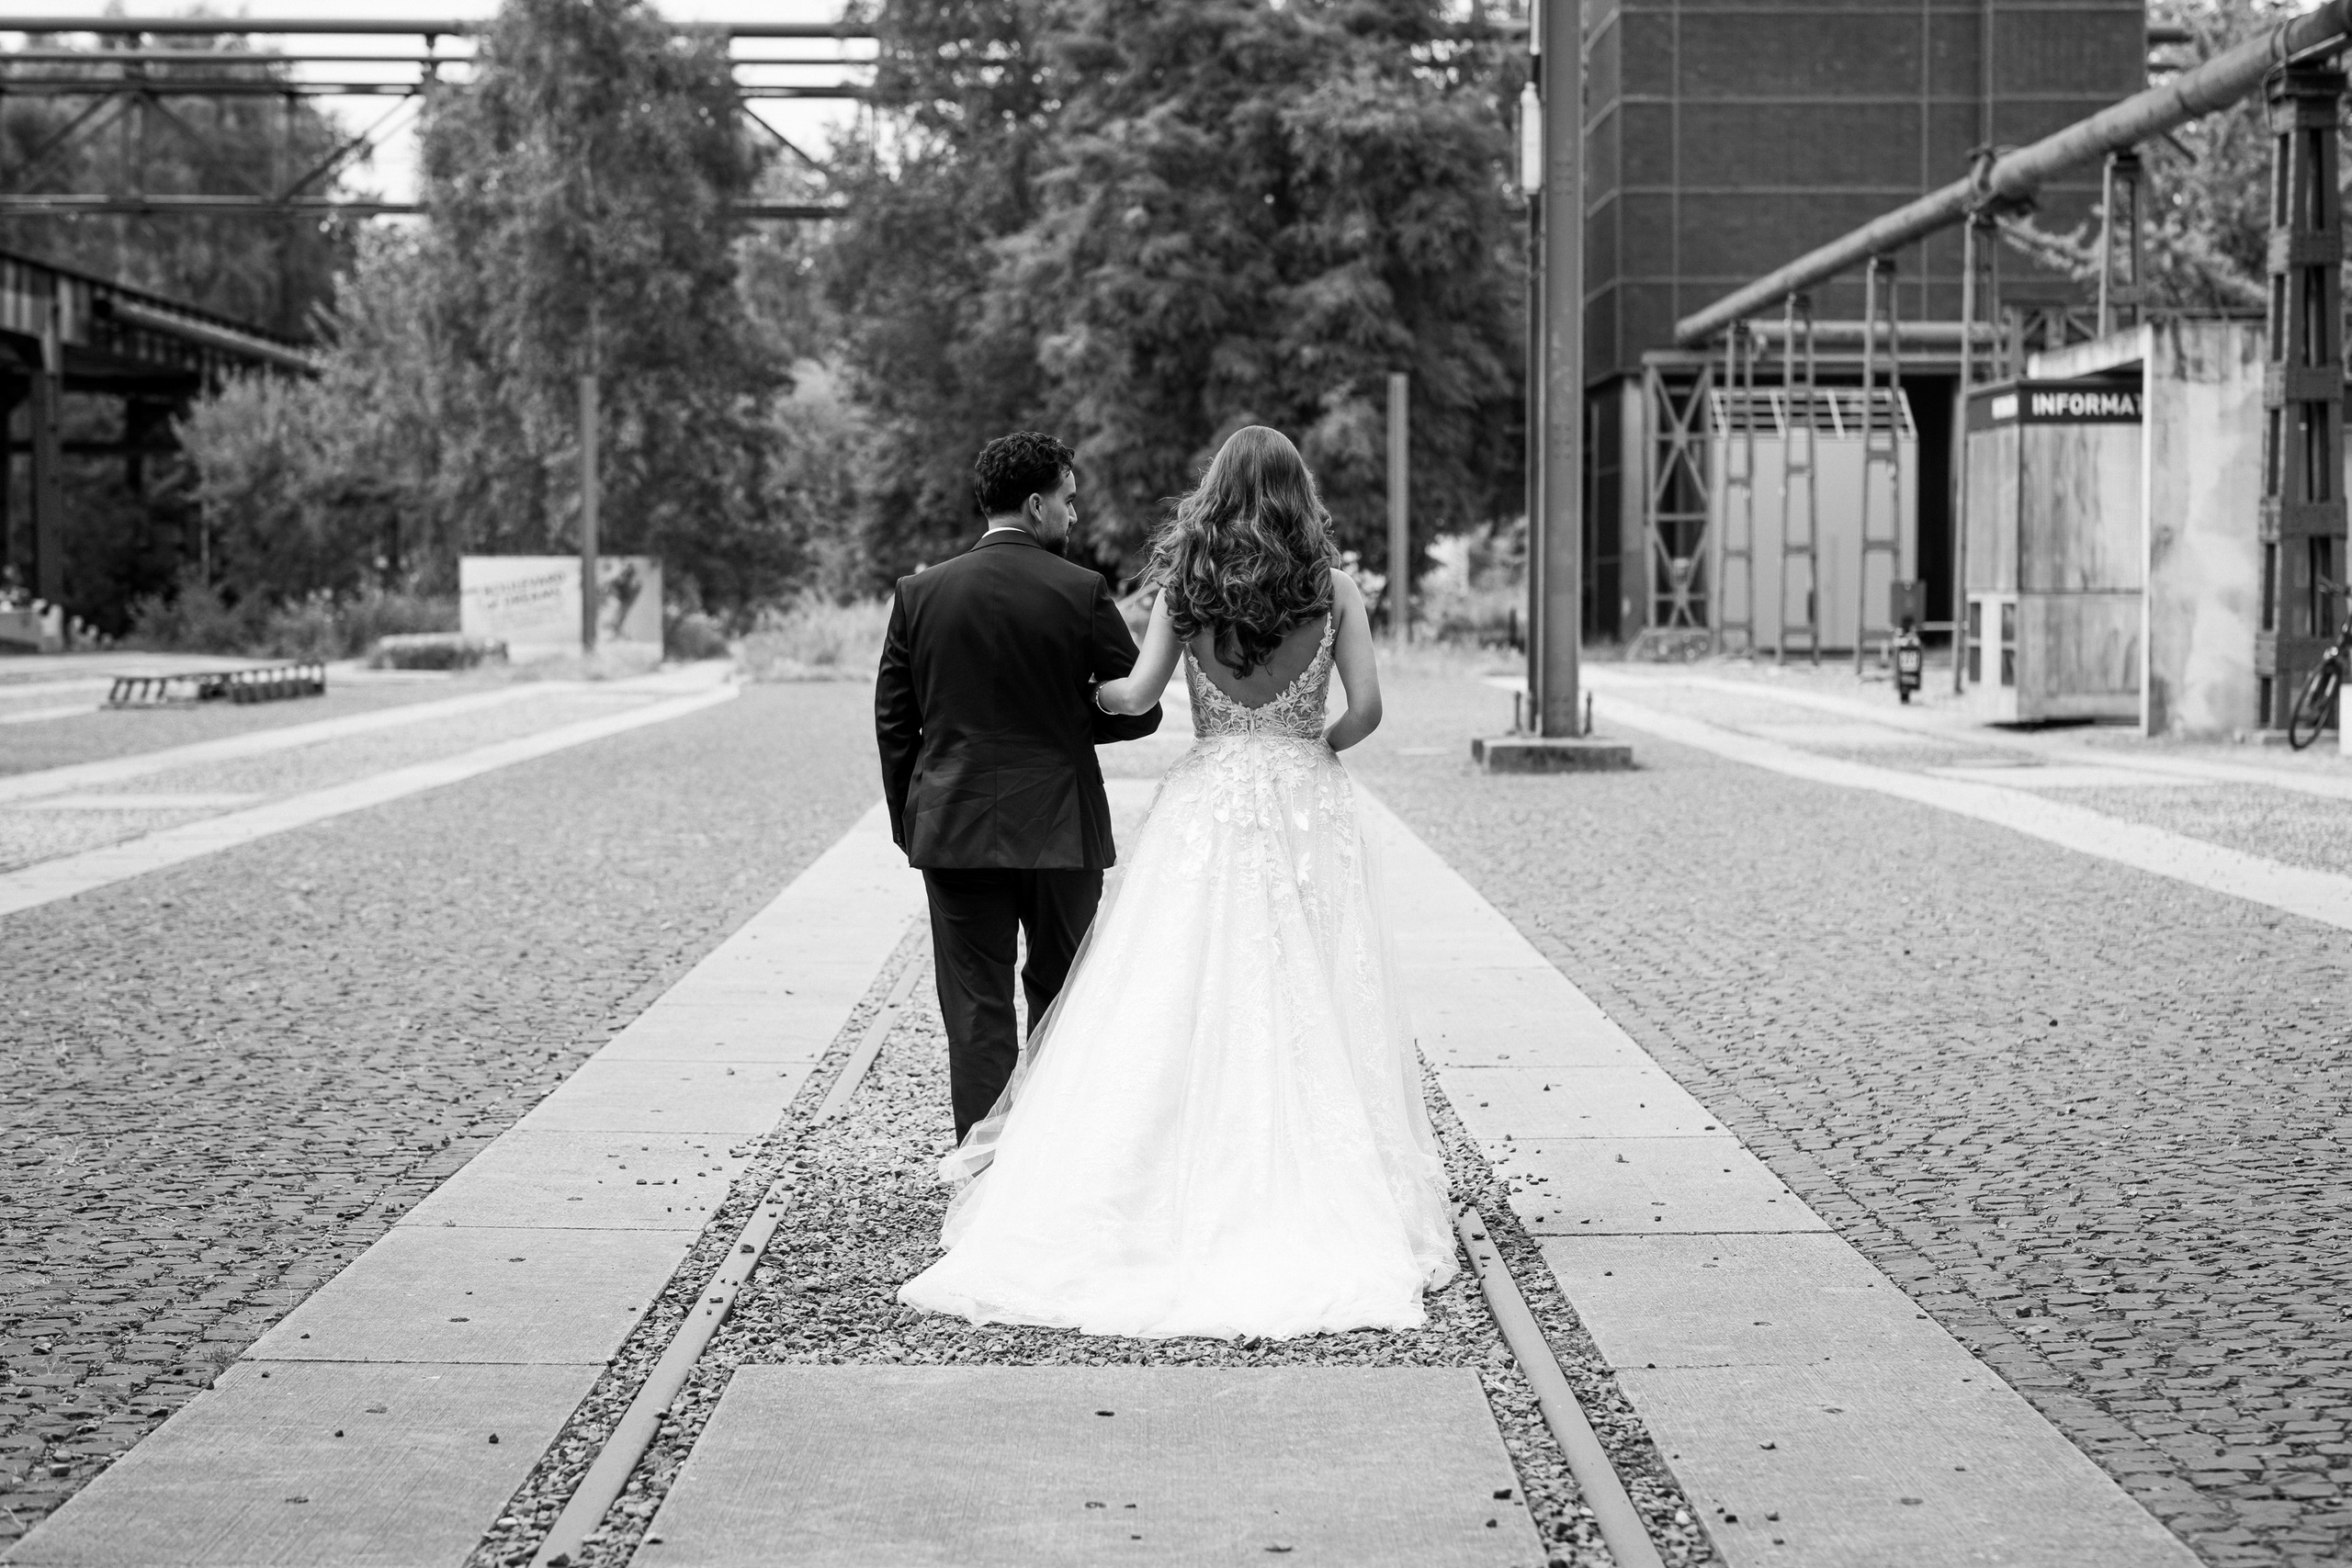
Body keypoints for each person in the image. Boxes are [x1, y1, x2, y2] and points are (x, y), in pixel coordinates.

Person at [899, 424, 1454, 1341]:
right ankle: (1318, 1174)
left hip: (1211, 799)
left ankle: (1162, 1174)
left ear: (1214, 496)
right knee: (1310, 983)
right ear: (1296, 495)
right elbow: (1370, 710)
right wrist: (1314, 749)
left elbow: (1135, 696)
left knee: (1183, 985)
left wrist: (1064, 695)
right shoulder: (1337, 590)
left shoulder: (1187, 593)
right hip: (1305, 800)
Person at [874, 432, 1163, 1145]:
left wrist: (911, 819)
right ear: (1037, 504)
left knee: (974, 1005)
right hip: (1061, 826)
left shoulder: (919, 594)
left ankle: (980, 1170)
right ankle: (1055, 1161)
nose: (1074, 516)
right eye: (1068, 500)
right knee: (1065, 996)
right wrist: (1070, 722)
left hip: (954, 825)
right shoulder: (1079, 591)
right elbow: (1140, 706)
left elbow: (894, 721)